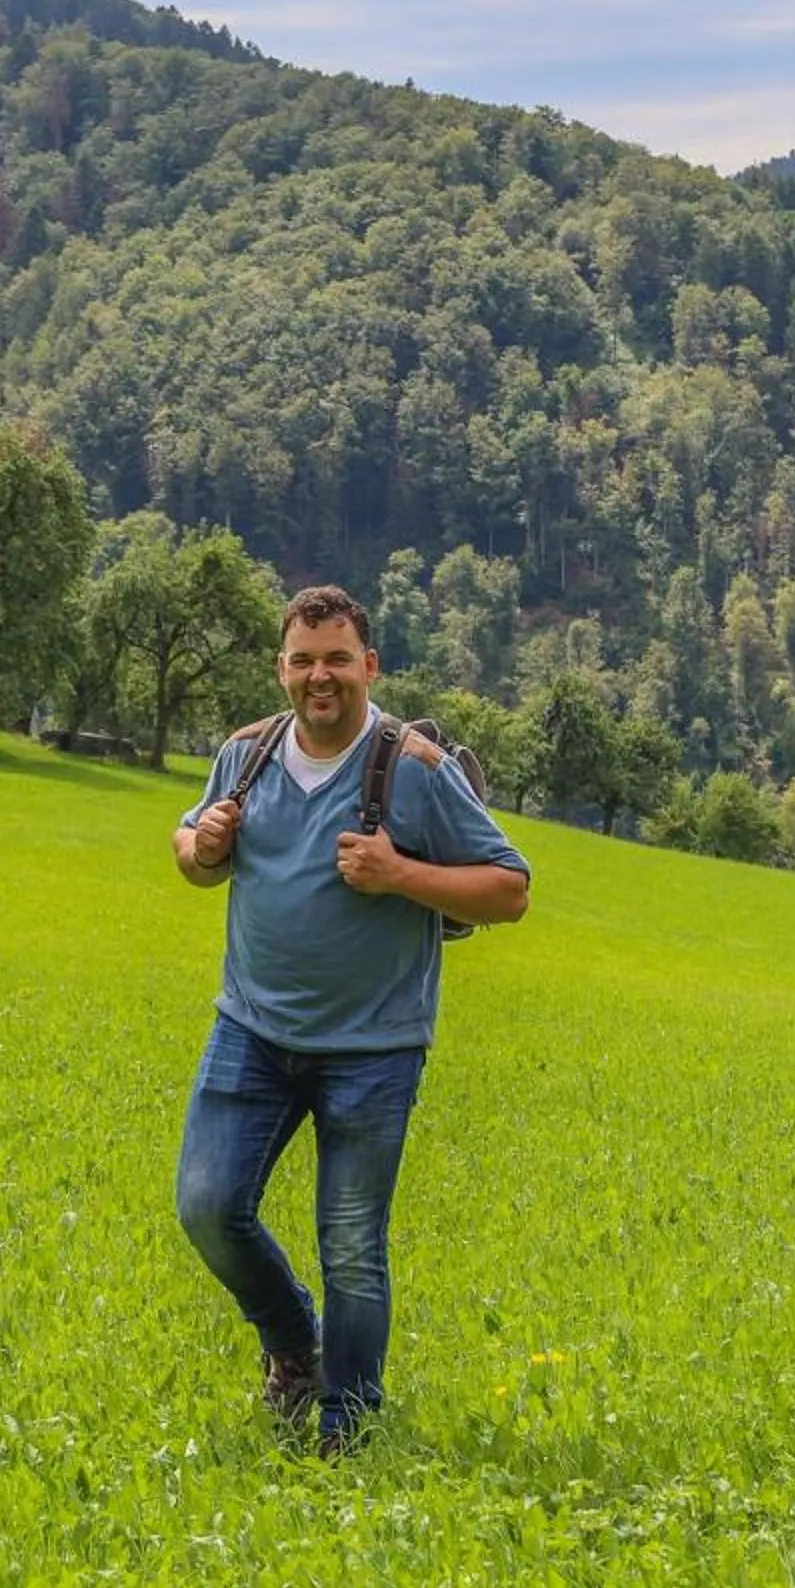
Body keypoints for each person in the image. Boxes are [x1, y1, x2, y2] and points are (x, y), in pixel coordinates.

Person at [171, 585, 530, 1455]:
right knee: (208, 1207)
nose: (320, 676)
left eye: (337, 658)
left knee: (352, 1246)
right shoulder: (246, 754)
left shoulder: (415, 768)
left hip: (374, 1049)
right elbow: (192, 855)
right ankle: (296, 1343)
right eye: (303, 660)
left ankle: (348, 1424)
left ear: (369, 665)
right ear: (281, 669)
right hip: (252, 1031)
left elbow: (510, 888)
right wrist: (200, 846)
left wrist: (399, 873)